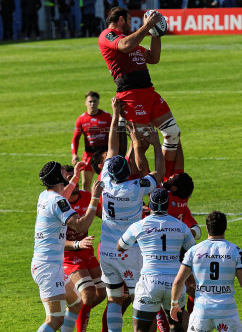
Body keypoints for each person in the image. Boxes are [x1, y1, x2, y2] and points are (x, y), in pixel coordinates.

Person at [99, 97, 165, 332]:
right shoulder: (134, 189)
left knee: (114, 298)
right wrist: (156, 144)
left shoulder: (105, 182)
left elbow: (111, 149)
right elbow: (159, 173)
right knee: (140, 296)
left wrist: (116, 115)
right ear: (126, 171)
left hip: (106, 249)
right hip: (129, 250)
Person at [98, 6, 181, 176]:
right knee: (140, 145)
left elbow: (153, 58)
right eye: (129, 20)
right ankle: (139, 187)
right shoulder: (108, 35)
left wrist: (156, 33)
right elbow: (125, 46)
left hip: (149, 93)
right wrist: (146, 26)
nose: (131, 24)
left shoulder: (131, 39)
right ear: (120, 20)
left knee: (172, 133)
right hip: (131, 96)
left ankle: (164, 180)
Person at [31, 160, 103, 332]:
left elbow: (61, 196)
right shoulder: (57, 201)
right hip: (48, 268)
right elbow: (81, 225)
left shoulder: (45, 195)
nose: (67, 174)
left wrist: (76, 176)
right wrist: (94, 198)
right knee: (54, 320)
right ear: (57, 177)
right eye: (64, 172)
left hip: (49, 265)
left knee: (76, 303)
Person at [116, 188, 196, 332]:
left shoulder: (139, 226)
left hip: (150, 282)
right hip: (175, 283)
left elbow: (120, 246)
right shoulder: (181, 226)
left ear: (150, 206)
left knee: (141, 329)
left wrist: (142, 240)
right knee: (176, 327)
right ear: (167, 205)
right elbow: (193, 252)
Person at [170, 211, 242, 332]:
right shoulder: (235, 251)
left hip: (201, 311)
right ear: (225, 228)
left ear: (207, 228)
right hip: (227, 311)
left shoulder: (194, 251)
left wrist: (174, 304)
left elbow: (178, 281)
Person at [62, 165, 106, 332]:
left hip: (86, 251)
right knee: (87, 295)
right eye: (66, 180)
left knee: (101, 293)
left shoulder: (87, 196)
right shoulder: (60, 203)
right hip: (68, 255)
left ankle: (73, 313)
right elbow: (55, 240)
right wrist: (77, 244)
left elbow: (103, 215)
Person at [71, 91, 112, 191]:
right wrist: (74, 154)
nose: (92, 104)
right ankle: (88, 205)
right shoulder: (81, 119)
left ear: (98, 102)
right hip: (89, 155)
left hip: (104, 154)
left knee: (107, 181)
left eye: (94, 101)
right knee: (85, 184)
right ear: (85, 102)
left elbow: (115, 135)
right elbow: (75, 138)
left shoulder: (107, 117)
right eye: (90, 101)